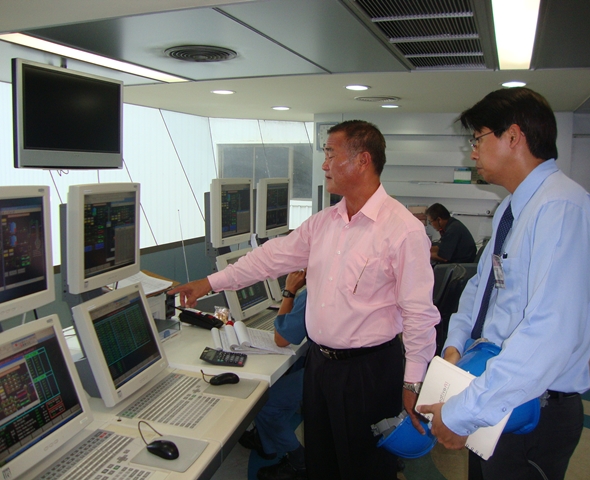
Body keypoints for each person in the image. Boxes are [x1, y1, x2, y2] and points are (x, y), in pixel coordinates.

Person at [169, 120, 440, 480]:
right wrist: (209, 283)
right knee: (323, 464)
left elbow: (419, 314)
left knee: (365, 469)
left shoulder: (402, 230)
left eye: (331, 154)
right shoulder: (323, 223)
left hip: (369, 371)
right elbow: (269, 258)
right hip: (320, 365)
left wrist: (413, 382)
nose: (324, 164)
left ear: (362, 160)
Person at [417, 88, 590, 480]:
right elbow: (481, 286)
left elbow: (550, 333)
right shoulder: (512, 208)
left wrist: (466, 412)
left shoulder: (561, 208)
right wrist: (456, 343)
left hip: (532, 405)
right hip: (495, 388)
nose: (472, 153)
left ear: (514, 136)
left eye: (478, 139)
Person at [239, 270, 309, 480]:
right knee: (293, 369)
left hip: (332, 372)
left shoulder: (312, 294)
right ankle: (266, 442)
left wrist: (289, 291)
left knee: (264, 403)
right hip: (361, 367)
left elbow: (281, 339)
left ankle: (299, 462)